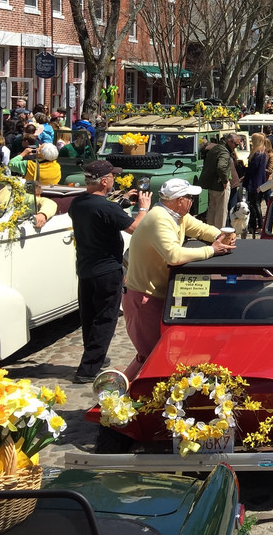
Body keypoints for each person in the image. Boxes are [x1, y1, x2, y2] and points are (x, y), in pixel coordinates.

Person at [122, 178, 236, 377]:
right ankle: (124, 394)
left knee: (162, 353)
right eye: (189, 197)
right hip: (144, 297)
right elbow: (173, 256)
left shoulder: (177, 215)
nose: (192, 201)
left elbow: (200, 228)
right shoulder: (160, 218)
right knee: (149, 355)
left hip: (158, 294)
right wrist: (211, 250)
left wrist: (221, 234)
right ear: (178, 200)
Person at [68, 160, 151, 383]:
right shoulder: (106, 207)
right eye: (112, 176)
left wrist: (120, 201)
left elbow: (101, 214)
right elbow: (135, 228)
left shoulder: (78, 203)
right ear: (104, 181)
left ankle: (95, 355)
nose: (114, 179)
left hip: (86, 267)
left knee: (89, 316)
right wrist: (143, 208)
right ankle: (88, 369)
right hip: (107, 269)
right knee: (105, 318)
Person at [198, 132, 238, 229]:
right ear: (229, 141)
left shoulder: (216, 148)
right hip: (220, 186)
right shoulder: (224, 152)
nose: (236, 147)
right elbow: (221, 167)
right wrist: (225, 181)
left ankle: (210, 233)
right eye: (235, 144)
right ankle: (219, 234)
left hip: (212, 185)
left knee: (212, 210)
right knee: (221, 211)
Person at [244, 132, 269, 236]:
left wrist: (243, 169)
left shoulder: (257, 154)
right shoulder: (262, 152)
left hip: (254, 182)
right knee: (256, 203)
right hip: (260, 180)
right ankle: (258, 223)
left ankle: (257, 223)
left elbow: (252, 169)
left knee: (254, 204)